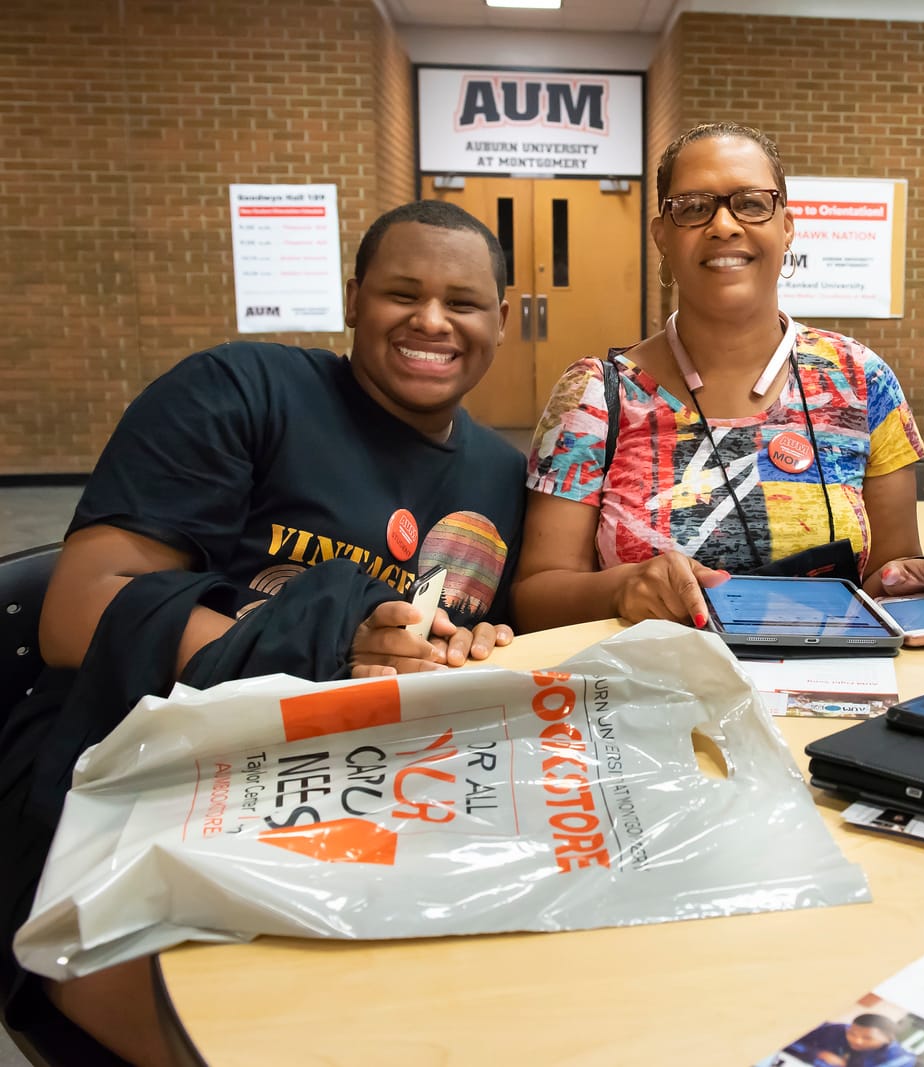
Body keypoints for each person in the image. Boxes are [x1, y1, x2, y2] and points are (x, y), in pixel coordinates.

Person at [0, 200, 528, 1067]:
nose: (432, 321)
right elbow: (78, 610)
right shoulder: (241, 389)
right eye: (403, 293)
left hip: (354, 793)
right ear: (355, 300)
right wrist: (317, 643)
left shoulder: (504, 478)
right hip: (131, 772)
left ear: (502, 320)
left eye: (463, 303)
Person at [514, 123, 924, 630]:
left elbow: (888, 577)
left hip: (830, 690)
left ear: (786, 225)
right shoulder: (593, 396)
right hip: (655, 695)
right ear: (662, 236)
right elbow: (533, 598)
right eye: (694, 207)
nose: (724, 225)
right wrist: (622, 589)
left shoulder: (860, 379)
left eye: (751, 203)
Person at [784, 1013, 916, 1067]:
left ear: (888, 1038)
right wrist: (818, 1053)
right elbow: (788, 1040)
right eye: (852, 1033)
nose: (856, 1040)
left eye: (867, 1038)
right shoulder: (838, 1029)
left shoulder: (899, 1060)